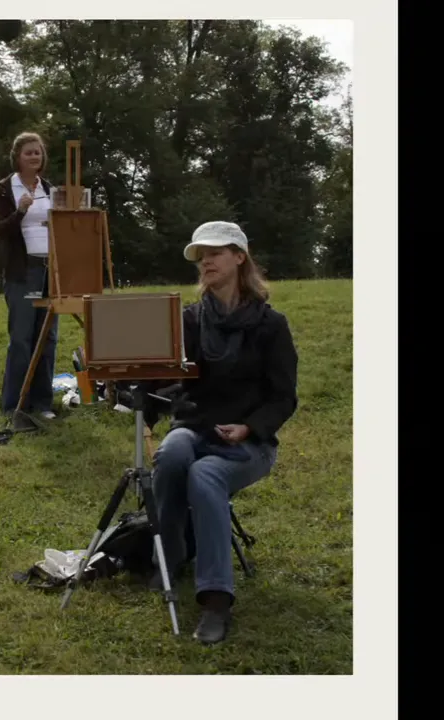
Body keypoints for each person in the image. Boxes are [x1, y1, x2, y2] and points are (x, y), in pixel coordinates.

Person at [146, 220, 299, 645]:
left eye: (215, 252)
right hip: (194, 428)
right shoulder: (189, 321)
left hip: (249, 443)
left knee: (205, 475)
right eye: (201, 255)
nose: (206, 260)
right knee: (175, 453)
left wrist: (250, 426)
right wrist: (130, 385)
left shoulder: (271, 326)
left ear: (239, 257)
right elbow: (168, 381)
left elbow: (284, 397)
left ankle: (216, 601)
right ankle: (170, 557)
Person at [0, 131, 58, 419]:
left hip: (51, 272)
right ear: (18, 157)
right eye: (29, 152)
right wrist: (19, 211)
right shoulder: (5, 189)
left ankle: (42, 404)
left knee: (48, 337)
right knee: (22, 337)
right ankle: (14, 405)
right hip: (24, 271)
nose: (35, 156)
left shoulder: (50, 188)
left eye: (38, 152)